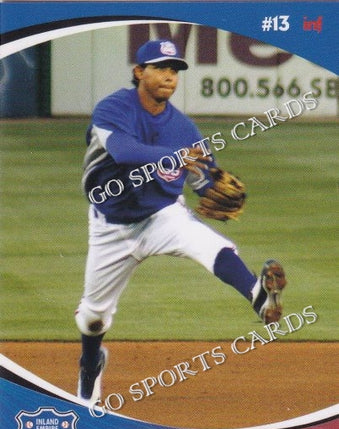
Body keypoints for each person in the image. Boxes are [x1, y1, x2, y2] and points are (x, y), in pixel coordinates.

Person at [75, 39, 286, 404]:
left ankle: (258, 297)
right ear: (139, 72)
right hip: (110, 224)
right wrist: (173, 157)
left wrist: (213, 188)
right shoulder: (113, 109)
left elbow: (204, 179)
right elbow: (124, 150)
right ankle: (91, 362)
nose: (169, 77)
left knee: (207, 243)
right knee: (93, 319)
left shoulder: (185, 129)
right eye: (160, 68)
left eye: (174, 70)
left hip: (160, 215)